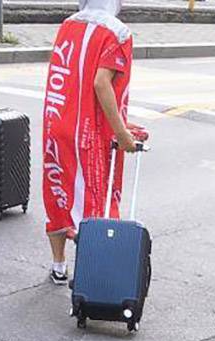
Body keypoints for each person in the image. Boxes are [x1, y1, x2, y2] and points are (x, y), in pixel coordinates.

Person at [41, 0, 148, 285]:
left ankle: (58, 265)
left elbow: (69, 76)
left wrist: (123, 124)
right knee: (95, 204)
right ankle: (91, 274)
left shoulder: (68, 25)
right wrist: (122, 134)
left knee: (58, 192)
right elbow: (101, 83)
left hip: (57, 121)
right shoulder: (118, 33)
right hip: (89, 135)